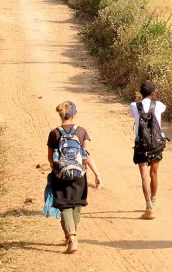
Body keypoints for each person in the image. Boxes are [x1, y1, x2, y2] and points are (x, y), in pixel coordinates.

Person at [47, 101, 101, 254]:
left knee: (64, 206)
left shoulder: (54, 133)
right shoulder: (81, 131)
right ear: (74, 114)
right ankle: (72, 235)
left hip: (60, 175)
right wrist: (97, 174)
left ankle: (71, 237)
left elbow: (50, 158)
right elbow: (87, 155)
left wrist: (57, 170)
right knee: (76, 205)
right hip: (80, 174)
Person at [130, 80, 167, 220]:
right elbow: (163, 108)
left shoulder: (134, 106)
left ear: (140, 93)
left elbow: (133, 115)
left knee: (144, 175)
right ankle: (154, 199)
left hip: (141, 144)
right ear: (153, 93)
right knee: (154, 173)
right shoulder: (159, 105)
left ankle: (148, 206)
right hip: (156, 144)